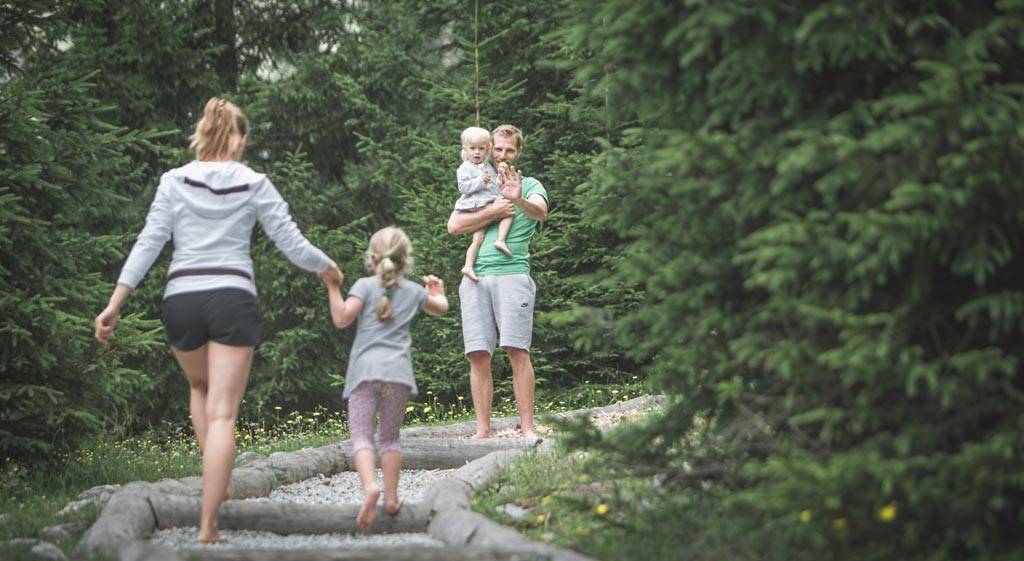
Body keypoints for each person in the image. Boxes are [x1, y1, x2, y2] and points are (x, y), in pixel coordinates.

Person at [93, 97, 342, 544]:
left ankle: (215, 473)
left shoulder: (173, 180)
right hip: (232, 297)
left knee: (199, 388)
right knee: (224, 413)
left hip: (181, 300)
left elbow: (149, 242)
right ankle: (209, 524)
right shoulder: (254, 181)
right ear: (242, 140)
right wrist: (327, 267)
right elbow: (291, 242)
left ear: (202, 134)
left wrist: (115, 301)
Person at [322, 226, 448, 530]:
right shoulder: (414, 292)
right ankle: (391, 500)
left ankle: (370, 489)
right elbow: (441, 309)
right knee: (390, 439)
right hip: (398, 375)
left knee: (362, 436)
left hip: (364, 373)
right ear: (406, 261)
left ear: (372, 258)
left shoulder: (364, 287)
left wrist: (332, 287)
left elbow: (341, 318)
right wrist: (438, 293)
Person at [446, 124, 548, 439]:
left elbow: (541, 212)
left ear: (519, 152)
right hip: (475, 278)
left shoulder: (529, 183)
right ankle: (482, 431)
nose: (502, 155)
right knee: (478, 354)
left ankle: (528, 428)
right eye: (498, 149)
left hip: (513, 275)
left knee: (517, 351)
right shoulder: (479, 182)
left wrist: (518, 201)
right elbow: (454, 224)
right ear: (490, 150)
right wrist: (493, 210)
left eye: (509, 150)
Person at [454, 126, 514, 282]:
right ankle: (470, 264)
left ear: (487, 151)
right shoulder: (465, 167)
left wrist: (501, 176)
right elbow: (463, 187)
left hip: (490, 200)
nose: (476, 152)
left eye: (481, 149)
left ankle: (499, 241)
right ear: (465, 150)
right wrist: (480, 181)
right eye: (472, 148)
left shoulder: (487, 166)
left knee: (481, 235)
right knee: (504, 213)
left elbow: (494, 184)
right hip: (477, 204)